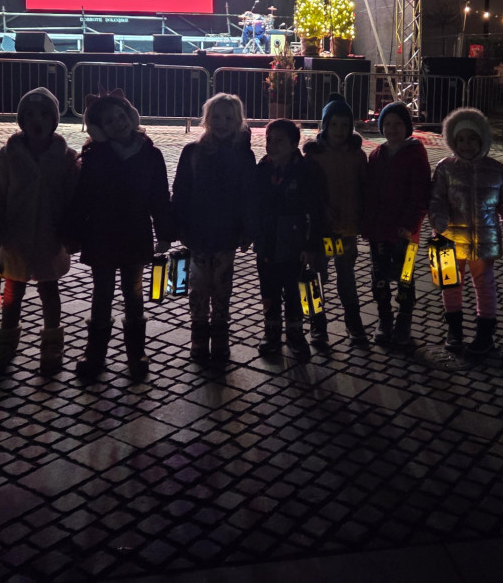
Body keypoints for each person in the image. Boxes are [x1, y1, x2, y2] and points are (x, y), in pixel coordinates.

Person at [66, 90, 172, 381]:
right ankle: (95, 353)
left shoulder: (150, 154)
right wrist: (73, 233)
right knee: (101, 294)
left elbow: (159, 196)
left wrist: (165, 231)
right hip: (101, 234)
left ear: (131, 116)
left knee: (134, 293)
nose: (118, 123)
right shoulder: (94, 156)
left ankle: (136, 352)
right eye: (109, 121)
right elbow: (82, 198)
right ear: (100, 129)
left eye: (121, 116)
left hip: (135, 233)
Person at [0, 87, 79, 377]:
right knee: (12, 293)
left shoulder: (66, 158)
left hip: (51, 237)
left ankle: (52, 343)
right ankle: (7, 340)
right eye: (31, 115)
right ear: (22, 121)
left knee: (50, 291)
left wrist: (72, 234)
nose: (38, 120)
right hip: (16, 237)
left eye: (44, 114)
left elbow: (74, 199)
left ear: (54, 120)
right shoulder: (7, 156)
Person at [429, 108, 503, 355]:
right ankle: (454, 329)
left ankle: (485, 333)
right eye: (461, 139)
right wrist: (438, 218)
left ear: (483, 139)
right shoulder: (445, 168)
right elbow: (437, 198)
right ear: (452, 141)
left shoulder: (495, 169)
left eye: (472, 139)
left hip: (484, 240)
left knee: (484, 284)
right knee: (450, 284)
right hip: (448, 238)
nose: (466, 145)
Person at [172, 92, 256, 367]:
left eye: (228, 118)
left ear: (237, 121)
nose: (222, 122)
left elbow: (247, 196)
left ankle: (220, 334)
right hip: (197, 230)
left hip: (226, 232)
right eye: (217, 117)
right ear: (207, 119)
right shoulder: (192, 152)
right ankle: (198, 335)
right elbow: (181, 191)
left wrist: (246, 229)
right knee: (197, 286)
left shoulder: (243, 155)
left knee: (221, 285)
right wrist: (177, 225)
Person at [252, 119, 325, 361]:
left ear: (295, 144)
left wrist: (310, 246)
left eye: (280, 140)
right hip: (268, 243)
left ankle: (296, 333)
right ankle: (271, 332)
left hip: (294, 245)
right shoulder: (262, 169)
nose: (272, 145)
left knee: (294, 291)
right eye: (269, 140)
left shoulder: (305, 172)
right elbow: (254, 206)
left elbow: (315, 212)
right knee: (269, 290)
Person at [302, 94, 369, 347]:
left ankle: (354, 322)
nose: (339, 130)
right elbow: (308, 195)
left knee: (346, 277)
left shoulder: (357, 155)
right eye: (334, 124)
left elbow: (364, 188)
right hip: (322, 231)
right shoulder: (314, 156)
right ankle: (317, 324)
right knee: (316, 276)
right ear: (325, 126)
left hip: (346, 231)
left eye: (345, 125)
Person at [364, 102, 430, 350]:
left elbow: (420, 193)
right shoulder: (377, 154)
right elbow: (370, 193)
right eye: (387, 124)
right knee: (379, 278)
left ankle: (404, 320)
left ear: (407, 127)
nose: (392, 129)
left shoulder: (415, 153)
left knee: (405, 278)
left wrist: (410, 224)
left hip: (406, 233)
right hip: (380, 230)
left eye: (398, 124)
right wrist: (367, 224)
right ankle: (384, 318)